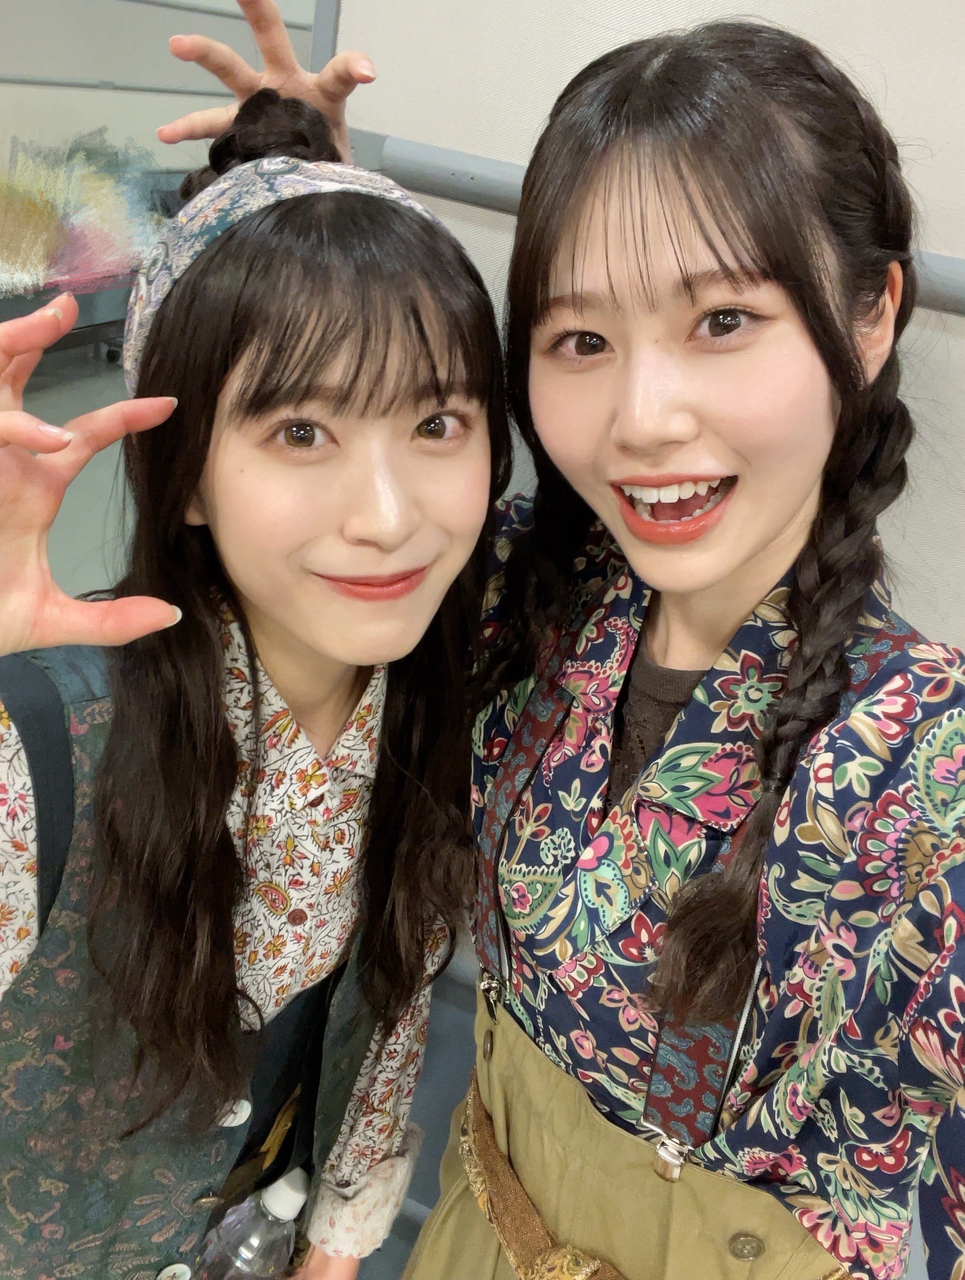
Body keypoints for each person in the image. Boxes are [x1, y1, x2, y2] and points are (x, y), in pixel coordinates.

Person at [173, 11, 965, 1280]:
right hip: (470, 1231)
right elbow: (315, 495)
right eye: (582, 340)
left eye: (722, 320)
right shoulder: (521, 594)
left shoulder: (926, 775)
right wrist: (299, 207)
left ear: (869, 315)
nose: (640, 419)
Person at [0, 90, 510, 1280]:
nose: (386, 516)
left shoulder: (436, 715)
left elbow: (382, 1032)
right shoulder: (43, 751)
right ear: (183, 474)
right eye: (299, 432)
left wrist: (330, 1251)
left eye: (436, 420)